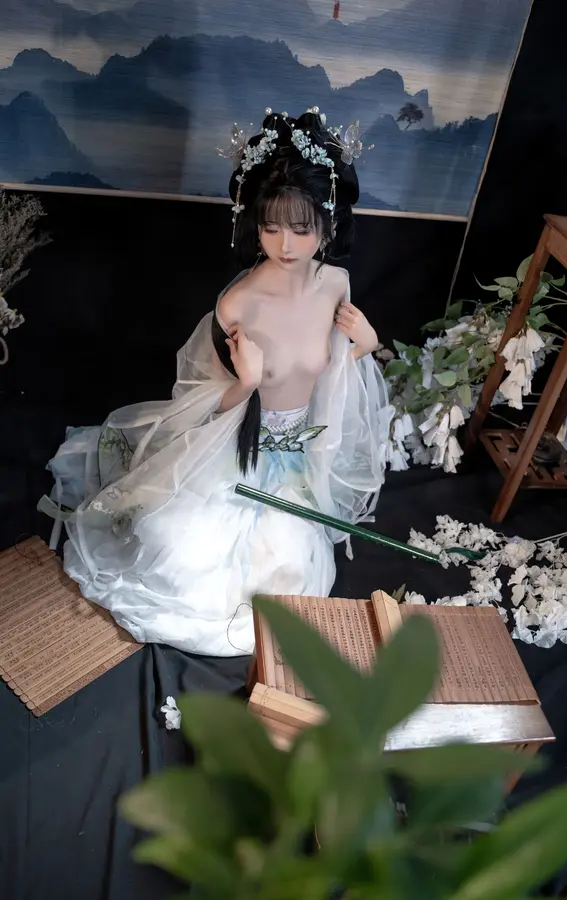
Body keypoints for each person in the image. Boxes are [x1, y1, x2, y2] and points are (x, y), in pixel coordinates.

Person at [44, 107, 392, 656]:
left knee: (286, 574)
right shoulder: (238, 304)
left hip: (297, 460)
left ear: (327, 224)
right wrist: (246, 382)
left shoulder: (336, 285)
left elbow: (334, 377)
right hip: (235, 448)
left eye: (301, 229)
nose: (285, 244)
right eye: (271, 227)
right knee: (179, 555)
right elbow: (203, 411)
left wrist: (365, 344)